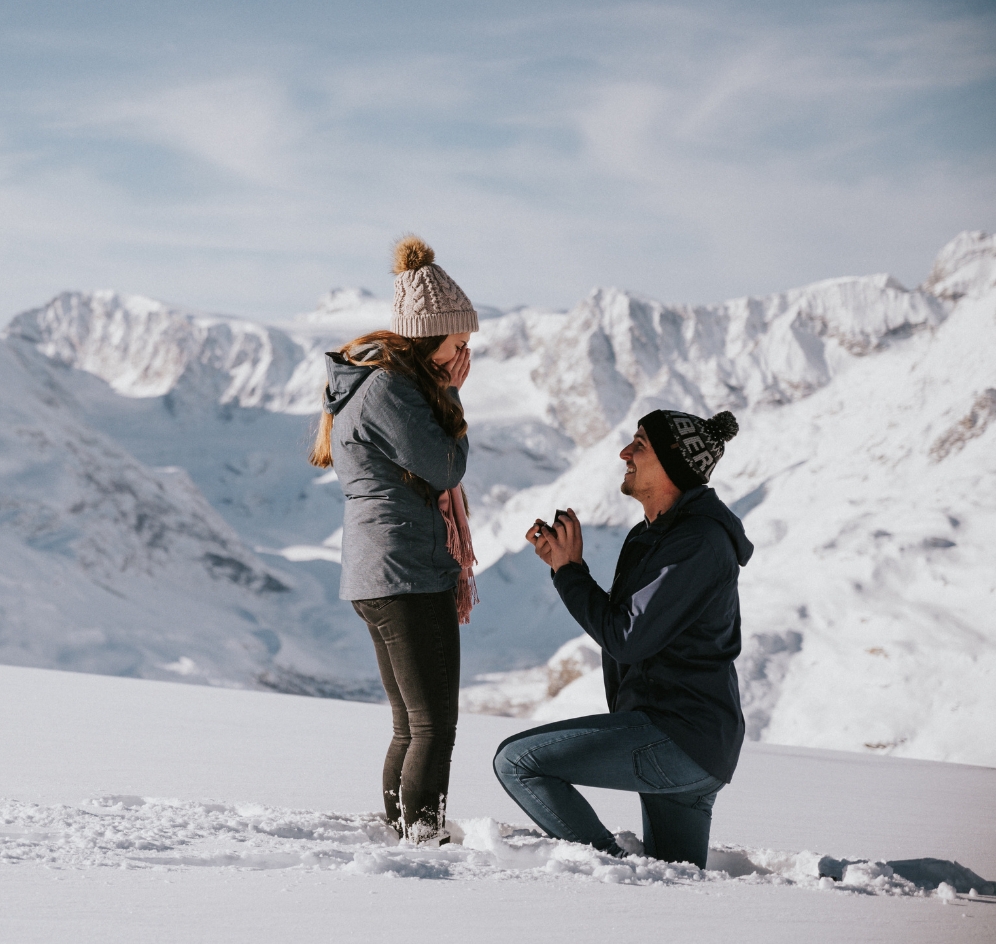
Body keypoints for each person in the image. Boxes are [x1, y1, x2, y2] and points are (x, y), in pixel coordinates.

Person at [493, 409, 753, 868]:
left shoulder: (696, 544)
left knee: (518, 762)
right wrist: (565, 568)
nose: (624, 453)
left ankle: (615, 872)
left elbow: (627, 637)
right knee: (673, 882)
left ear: (675, 465)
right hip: (689, 738)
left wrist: (571, 573)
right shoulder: (652, 536)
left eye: (641, 444)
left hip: (677, 734)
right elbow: (626, 628)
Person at [309, 235, 479, 845]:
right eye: (458, 345)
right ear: (431, 336)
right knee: (434, 724)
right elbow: (446, 467)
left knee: (411, 723)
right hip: (406, 568)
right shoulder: (391, 390)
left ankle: (401, 831)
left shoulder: (376, 384)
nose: (464, 357)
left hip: (378, 569)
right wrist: (454, 397)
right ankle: (420, 838)